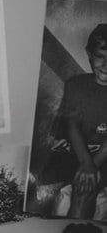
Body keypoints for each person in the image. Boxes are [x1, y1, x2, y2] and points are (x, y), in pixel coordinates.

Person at [54, 24, 107, 218]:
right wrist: (86, 163)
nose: (106, 65)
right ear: (89, 54)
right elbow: (72, 125)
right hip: (78, 151)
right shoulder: (75, 85)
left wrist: (91, 167)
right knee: (81, 186)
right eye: (101, 56)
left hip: (104, 155)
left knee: (86, 186)